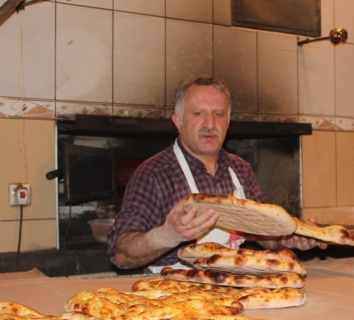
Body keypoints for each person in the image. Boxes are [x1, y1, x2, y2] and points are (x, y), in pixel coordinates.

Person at [107, 75, 326, 273]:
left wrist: (291, 238)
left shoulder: (239, 169)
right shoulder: (153, 174)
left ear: (228, 121)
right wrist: (168, 234)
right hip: (174, 298)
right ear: (178, 121)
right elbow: (121, 254)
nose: (210, 124)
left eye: (218, 114)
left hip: (232, 288)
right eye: (198, 113)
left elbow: (264, 234)